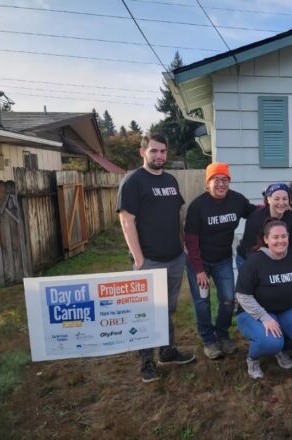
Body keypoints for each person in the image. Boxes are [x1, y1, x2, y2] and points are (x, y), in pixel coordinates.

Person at [116, 132, 195, 383]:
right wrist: (139, 260)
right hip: (149, 260)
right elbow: (127, 221)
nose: (159, 155)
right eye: (154, 151)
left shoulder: (171, 180)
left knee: (167, 309)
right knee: (147, 312)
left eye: (163, 151)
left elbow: (177, 215)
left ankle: (168, 352)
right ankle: (146, 362)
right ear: (143, 152)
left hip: (174, 258)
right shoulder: (133, 181)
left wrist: (182, 245)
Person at [184, 163, 255, 360]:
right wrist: (199, 270)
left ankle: (222, 335)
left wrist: (274, 205)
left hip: (223, 259)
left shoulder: (236, 200)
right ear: (208, 183)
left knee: (227, 299)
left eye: (225, 180)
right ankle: (208, 340)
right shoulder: (198, 206)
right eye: (216, 180)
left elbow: (254, 212)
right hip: (198, 260)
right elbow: (190, 239)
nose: (221, 184)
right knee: (202, 301)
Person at [235, 220, 292, 379]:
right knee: (270, 341)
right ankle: (253, 358)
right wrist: (264, 318)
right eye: (275, 237)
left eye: (283, 236)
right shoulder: (254, 262)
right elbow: (243, 295)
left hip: (285, 310)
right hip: (252, 313)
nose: (280, 240)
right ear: (266, 239)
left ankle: (280, 350)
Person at [236, 183, 292, 270]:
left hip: (278, 258)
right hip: (249, 257)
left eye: (285, 199)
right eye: (276, 199)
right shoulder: (255, 218)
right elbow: (249, 248)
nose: (281, 203)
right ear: (268, 199)